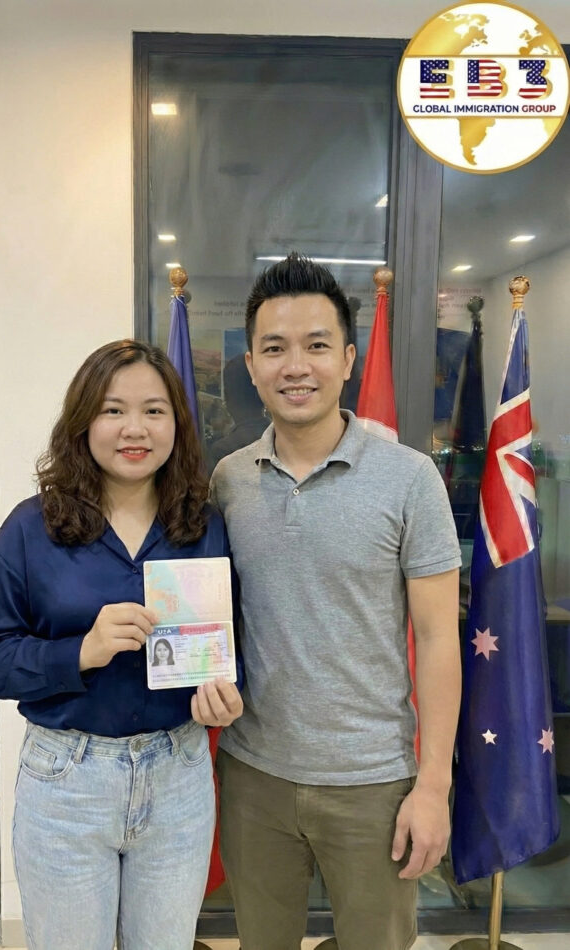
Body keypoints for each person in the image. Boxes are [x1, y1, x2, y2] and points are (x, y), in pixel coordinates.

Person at [210, 253, 461, 950]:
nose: (296, 366)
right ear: (252, 367)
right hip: (253, 776)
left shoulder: (410, 479)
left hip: (374, 782)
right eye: (274, 349)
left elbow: (438, 639)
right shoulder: (227, 481)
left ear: (348, 359)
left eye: (316, 345)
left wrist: (432, 786)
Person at [0, 339, 243, 950]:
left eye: (154, 411)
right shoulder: (31, 528)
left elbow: (231, 644)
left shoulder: (204, 526)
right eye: (113, 410)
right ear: (83, 421)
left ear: (177, 424)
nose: (134, 429)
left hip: (178, 775)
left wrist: (227, 693)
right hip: (67, 780)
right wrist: (80, 652)